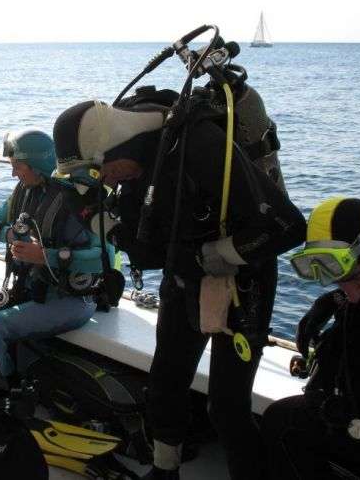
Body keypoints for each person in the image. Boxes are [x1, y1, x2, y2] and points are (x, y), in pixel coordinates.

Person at [52, 98, 306, 480]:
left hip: (243, 280)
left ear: (121, 146)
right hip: (184, 273)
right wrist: (92, 215)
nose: (103, 179)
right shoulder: (136, 172)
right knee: (165, 384)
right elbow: (147, 251)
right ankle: (164, 470)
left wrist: (212, 256)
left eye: (100, 168)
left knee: (226, 406)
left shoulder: (199, 147)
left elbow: (288, 226)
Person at [0, 129, 107, 378]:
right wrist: (9, 235)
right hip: (31, 288)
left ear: (36, 164)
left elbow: (103, 260)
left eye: (18, 166)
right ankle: (9, 380)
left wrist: (46, 256)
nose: (14, 173)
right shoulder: (23, 192)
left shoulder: (78, 199)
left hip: (72, 298)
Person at [261, 197, 360, 480]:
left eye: (358, 276)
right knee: (280, 422)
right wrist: (331, 300)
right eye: (340, 282)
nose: (352, 294)